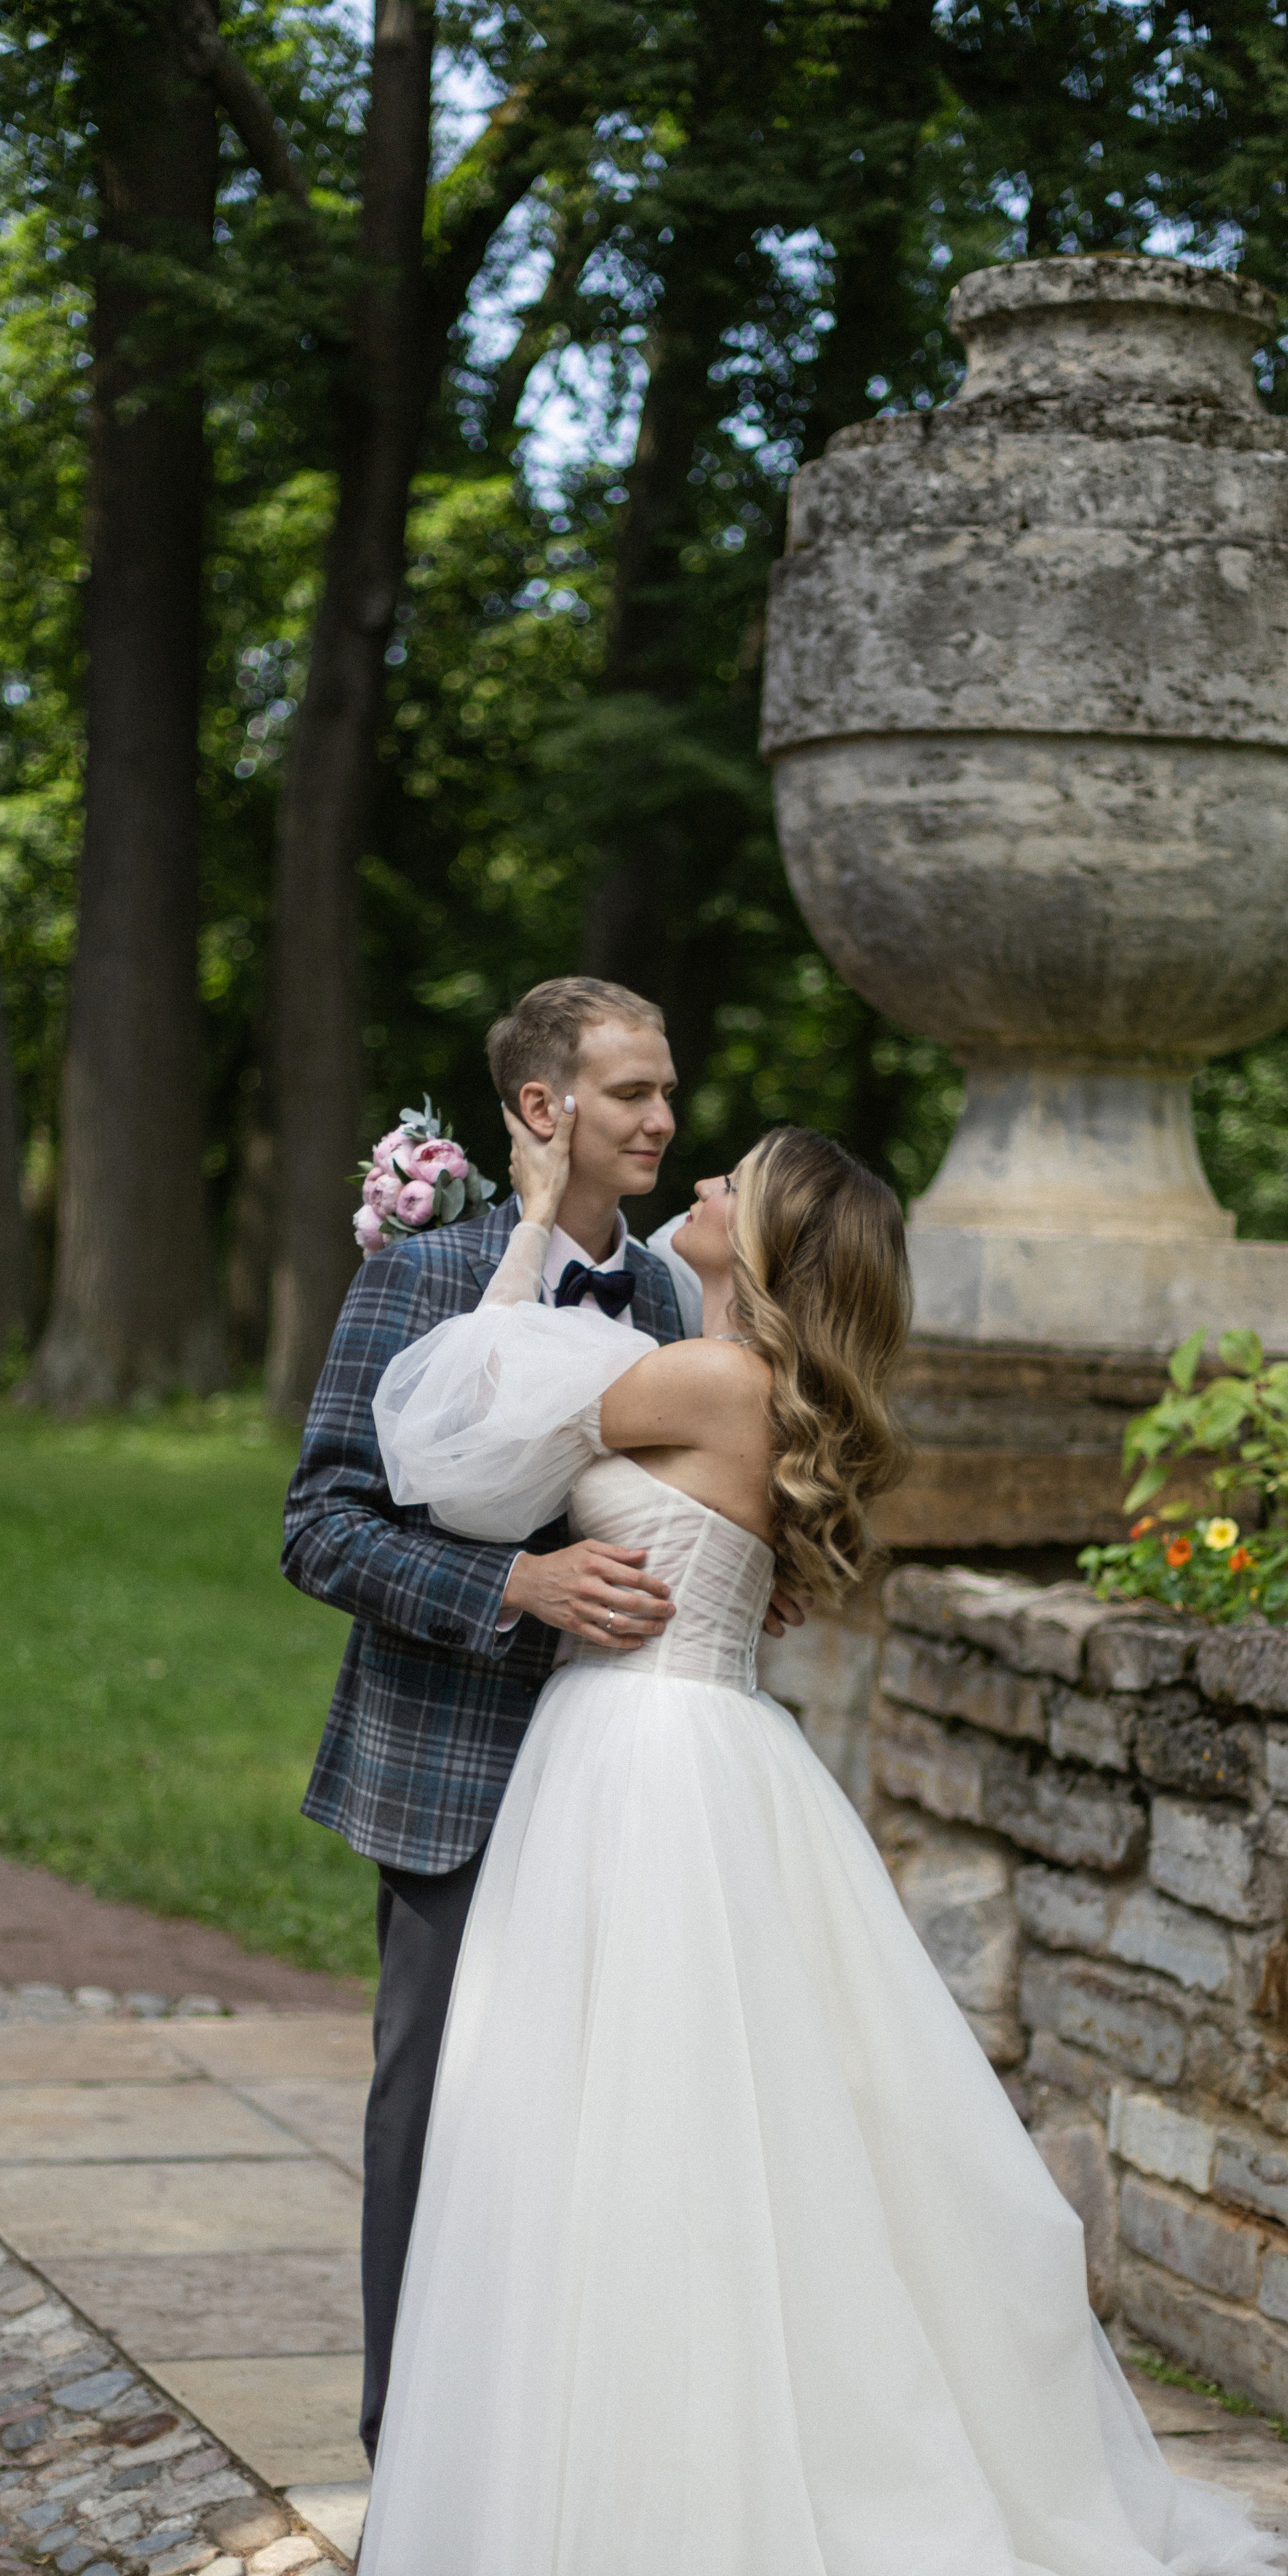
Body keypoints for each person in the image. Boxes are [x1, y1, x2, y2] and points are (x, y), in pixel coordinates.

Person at [351, 1112, 1287, 2576]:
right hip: (683, 1758)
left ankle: (657, 2544)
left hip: (639, 1771)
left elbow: (441, 1420)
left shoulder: (706, 1386)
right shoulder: (725, 1384)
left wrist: (529, 1217)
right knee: (672, 2157)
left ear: (768, 1248)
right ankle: (644, 2506)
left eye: (734, 1185)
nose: (700, 1184)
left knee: (628, 2154)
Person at [282, 976, 798, 2465]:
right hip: (452, 1773)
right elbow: (320, 1525)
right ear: (538, 1110)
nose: (661, 1117)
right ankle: (410, 2460)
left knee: (612, 2133)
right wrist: (515, 1580)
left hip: (630, 1783)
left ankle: (567, 2467)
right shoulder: (423, 1279)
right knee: (433, 2113)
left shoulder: (677, 1303)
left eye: (665, 1089)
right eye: (631, 1092)